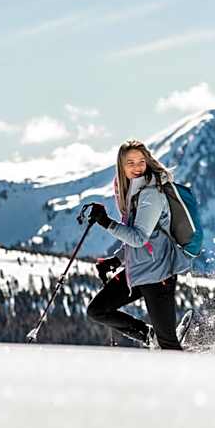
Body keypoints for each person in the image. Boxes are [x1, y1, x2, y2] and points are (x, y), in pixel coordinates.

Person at [85, 140, 193, 350]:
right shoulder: (133, 194)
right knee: (98, 310)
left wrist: (107, 223)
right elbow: (141, 241)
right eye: (130, 163)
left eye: (141, 162)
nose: (137, 167)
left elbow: (139, 238)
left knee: (169, 346)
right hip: (137, 269)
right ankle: (148, 335)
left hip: (158, 273)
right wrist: (116, 260)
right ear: (121, 166)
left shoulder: (150, 194)